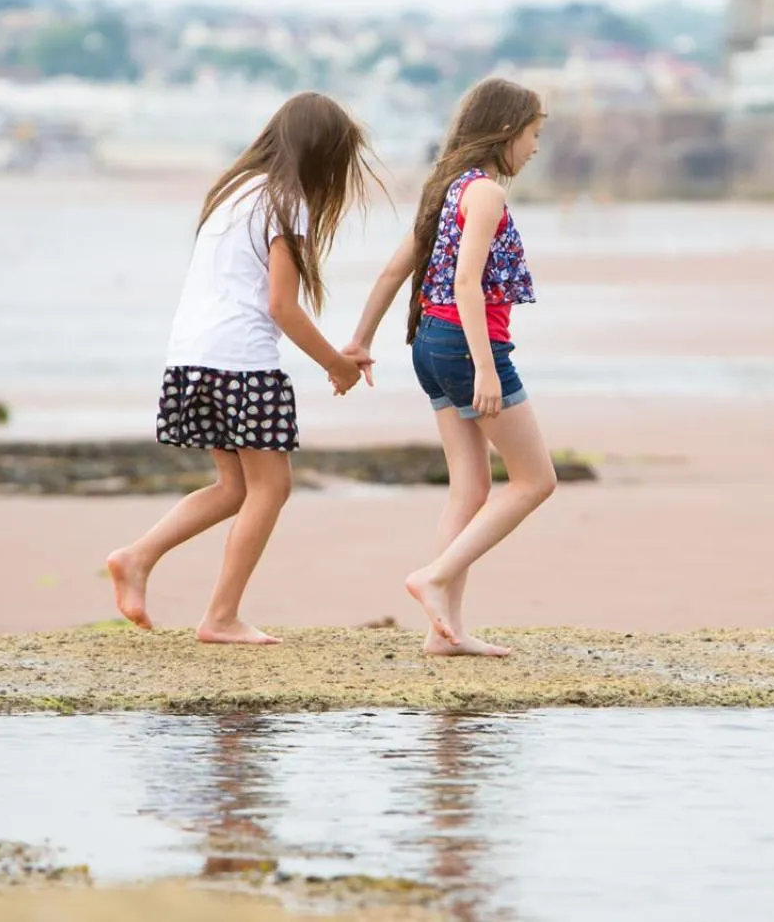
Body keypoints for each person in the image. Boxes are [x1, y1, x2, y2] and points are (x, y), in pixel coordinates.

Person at [106, 92, 376, 645]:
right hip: (240, 364)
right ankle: (221, 617)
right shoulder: (288, 201)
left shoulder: (235, 191)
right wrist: (335, 366)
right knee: (271, 489)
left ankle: (136, 558)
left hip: (191, 355)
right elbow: (281, 305)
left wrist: (335, 357)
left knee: (235, 487)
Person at [344, 77, 556, 657]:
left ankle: (446, 632)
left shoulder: (445, 187)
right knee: (536, 480)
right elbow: (467, 283)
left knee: (469, 487)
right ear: (508, 130)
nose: (536, 148)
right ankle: (434, 579)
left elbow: (393, 272)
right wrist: (487, 370)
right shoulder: (485, 193)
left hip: (429, 346)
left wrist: (360, 341)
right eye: (534, 134)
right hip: (466, 347)